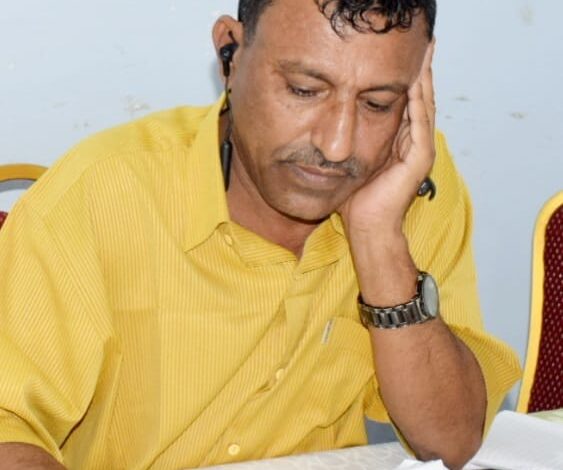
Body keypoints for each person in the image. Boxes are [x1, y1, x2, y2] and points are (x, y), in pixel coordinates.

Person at [0, 1, 521, 469]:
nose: (337, 146)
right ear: (230, 54)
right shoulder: (101, 192)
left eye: (378, 103)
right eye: (304, 90)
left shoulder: (408, 179)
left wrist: (379, 239)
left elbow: (452, 441)